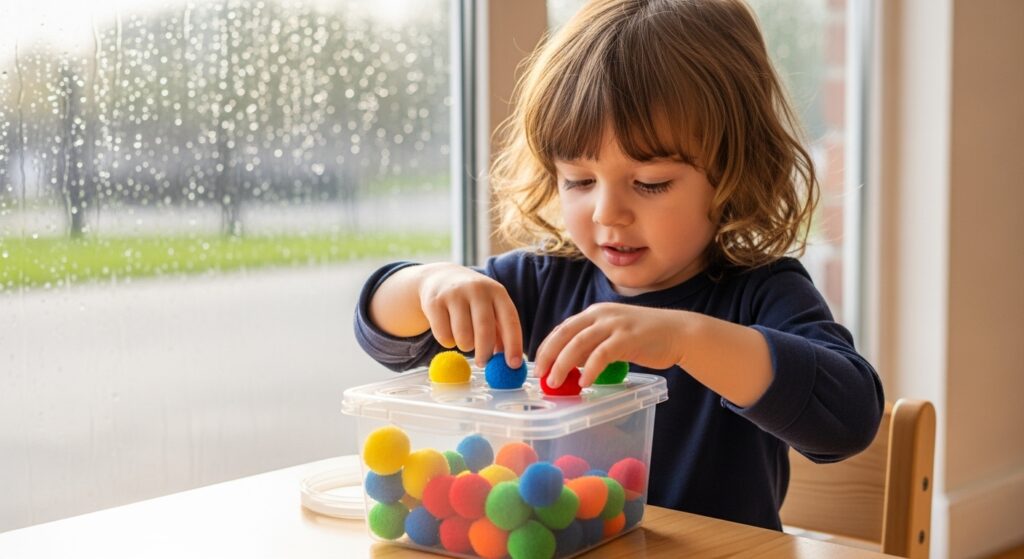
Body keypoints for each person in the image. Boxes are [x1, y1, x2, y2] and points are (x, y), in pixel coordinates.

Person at [354, 0, 883, 531]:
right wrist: (430, 283)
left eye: (650, 183)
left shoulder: (761, 293)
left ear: (730, 173)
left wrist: (686, 339)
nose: (608, 212)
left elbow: (849, 419)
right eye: (579, 181)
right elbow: (383, 332)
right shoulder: (536, 284)